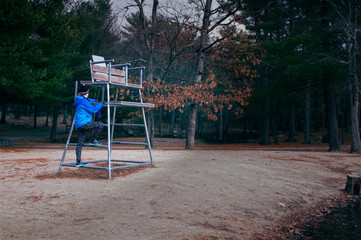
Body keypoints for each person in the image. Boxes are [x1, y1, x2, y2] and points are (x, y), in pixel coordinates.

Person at [74, 85, 104, 167]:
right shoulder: (84, 101)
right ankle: (92, 140)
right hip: (84, 123)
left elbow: (88, 100)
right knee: (100, 125)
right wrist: (101, 103)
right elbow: (94, 110)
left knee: (80, 142)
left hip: (78, 124)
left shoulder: (79, 99)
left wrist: (96, 101)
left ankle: (78, 161)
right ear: (86, 93)